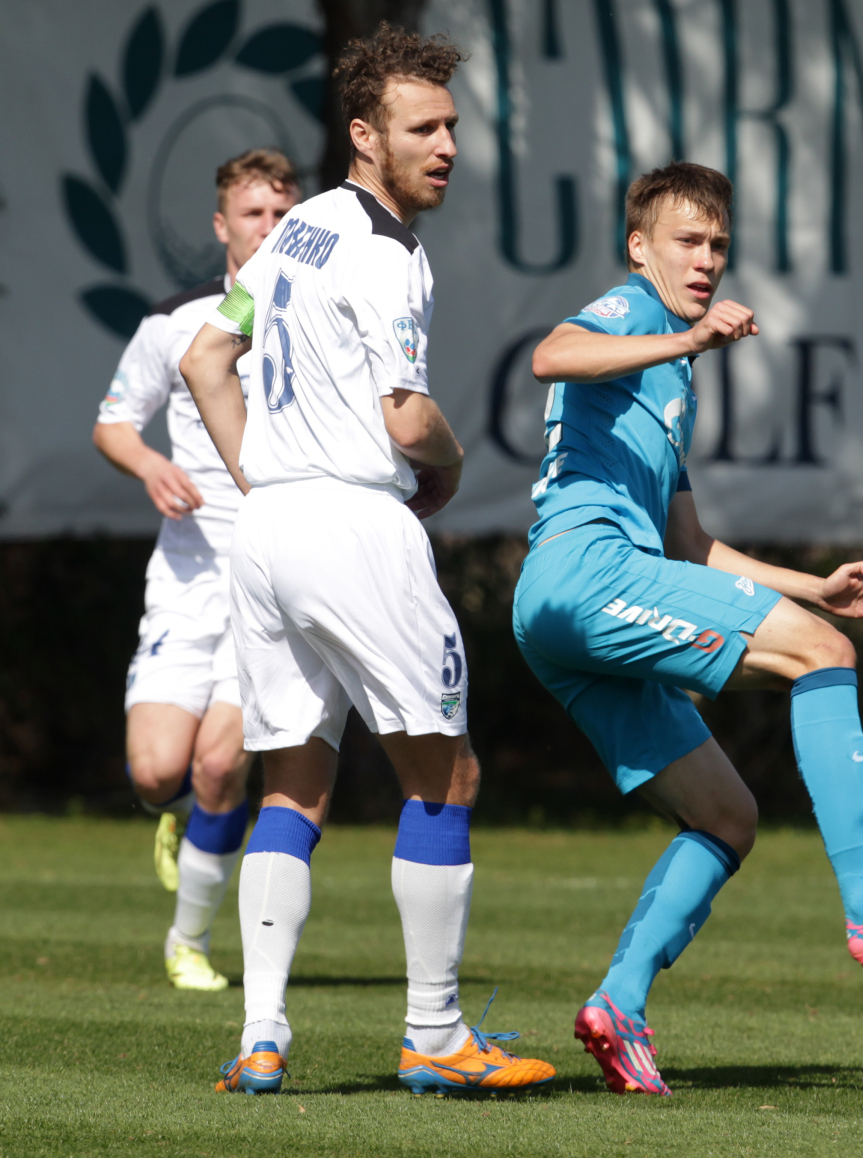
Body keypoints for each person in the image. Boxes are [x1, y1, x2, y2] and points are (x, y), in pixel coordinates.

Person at [515, 161, 863, 1097]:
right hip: (587, 573)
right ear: (639, 247)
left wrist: (813, 585)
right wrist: (683, 333)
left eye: (718, 245)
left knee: (728, 817)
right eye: (686, 242)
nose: (705, 259)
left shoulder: (670, 371)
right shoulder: (636, 315)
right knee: (825, 657)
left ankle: (618, 1003)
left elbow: (689, 542)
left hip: (570, 605)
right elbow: (552, 352)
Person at [180, 25, 553, 1096]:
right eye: (420, 127)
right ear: (362, 133)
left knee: (293, 783)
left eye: (449, 126)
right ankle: (435, 1038)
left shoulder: (293, 230)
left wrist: (264, 476)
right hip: (352, 527)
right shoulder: (387, 253)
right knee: (446, 776)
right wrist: (451, 458)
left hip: (272, 534)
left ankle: (260, 1036)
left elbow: (213, 355)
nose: (443, 146)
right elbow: (404, 419)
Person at [93, 149, 300, 992]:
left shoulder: (317, 318)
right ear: (223, 227)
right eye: (254, 215)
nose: (270, 229)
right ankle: (177, 817)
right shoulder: (176, 322)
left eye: (283, 215)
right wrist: (148, 466)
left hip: (272, 580)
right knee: (155, 772)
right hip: (185, 577)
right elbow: (113, 423)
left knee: (222, 766)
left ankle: (190, 943)